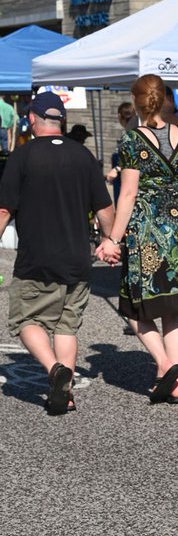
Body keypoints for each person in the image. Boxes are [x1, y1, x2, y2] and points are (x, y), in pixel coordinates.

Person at [0, 91, 114, 414]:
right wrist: (110, 240)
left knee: (24, 319)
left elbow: (4, 210)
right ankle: (66, 393)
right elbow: (105, 209)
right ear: (61, 122)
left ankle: (54, 370)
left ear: (33, 119)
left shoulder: (22, 157)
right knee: (67, 325)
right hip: (78, 259)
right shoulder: (84, 157)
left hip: (36, 259)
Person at [96, 74, 178, 403]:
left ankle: (166, 363)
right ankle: (176, 381)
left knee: (135, 307)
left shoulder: (132, 140)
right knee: (175, 306)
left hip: (148, 229)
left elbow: (127, 195)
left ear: (138, 102)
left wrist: (112, 238)